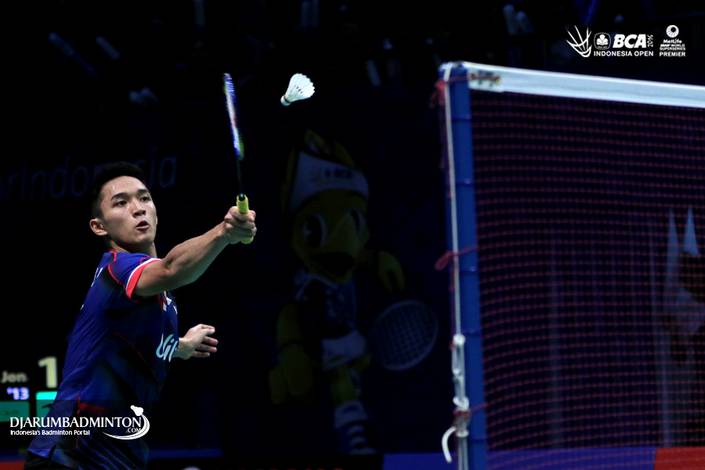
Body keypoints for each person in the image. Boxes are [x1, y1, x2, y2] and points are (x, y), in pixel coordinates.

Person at [25, 161, 256, 468]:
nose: (138, 208)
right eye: (121, 203)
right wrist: (225, 232)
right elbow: (172, 268)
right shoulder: (118, 269)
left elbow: (126, 342)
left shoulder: (160, 298)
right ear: (99, 226)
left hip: (118, 456)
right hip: (71, 453)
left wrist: (181, 346)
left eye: (144, 198)